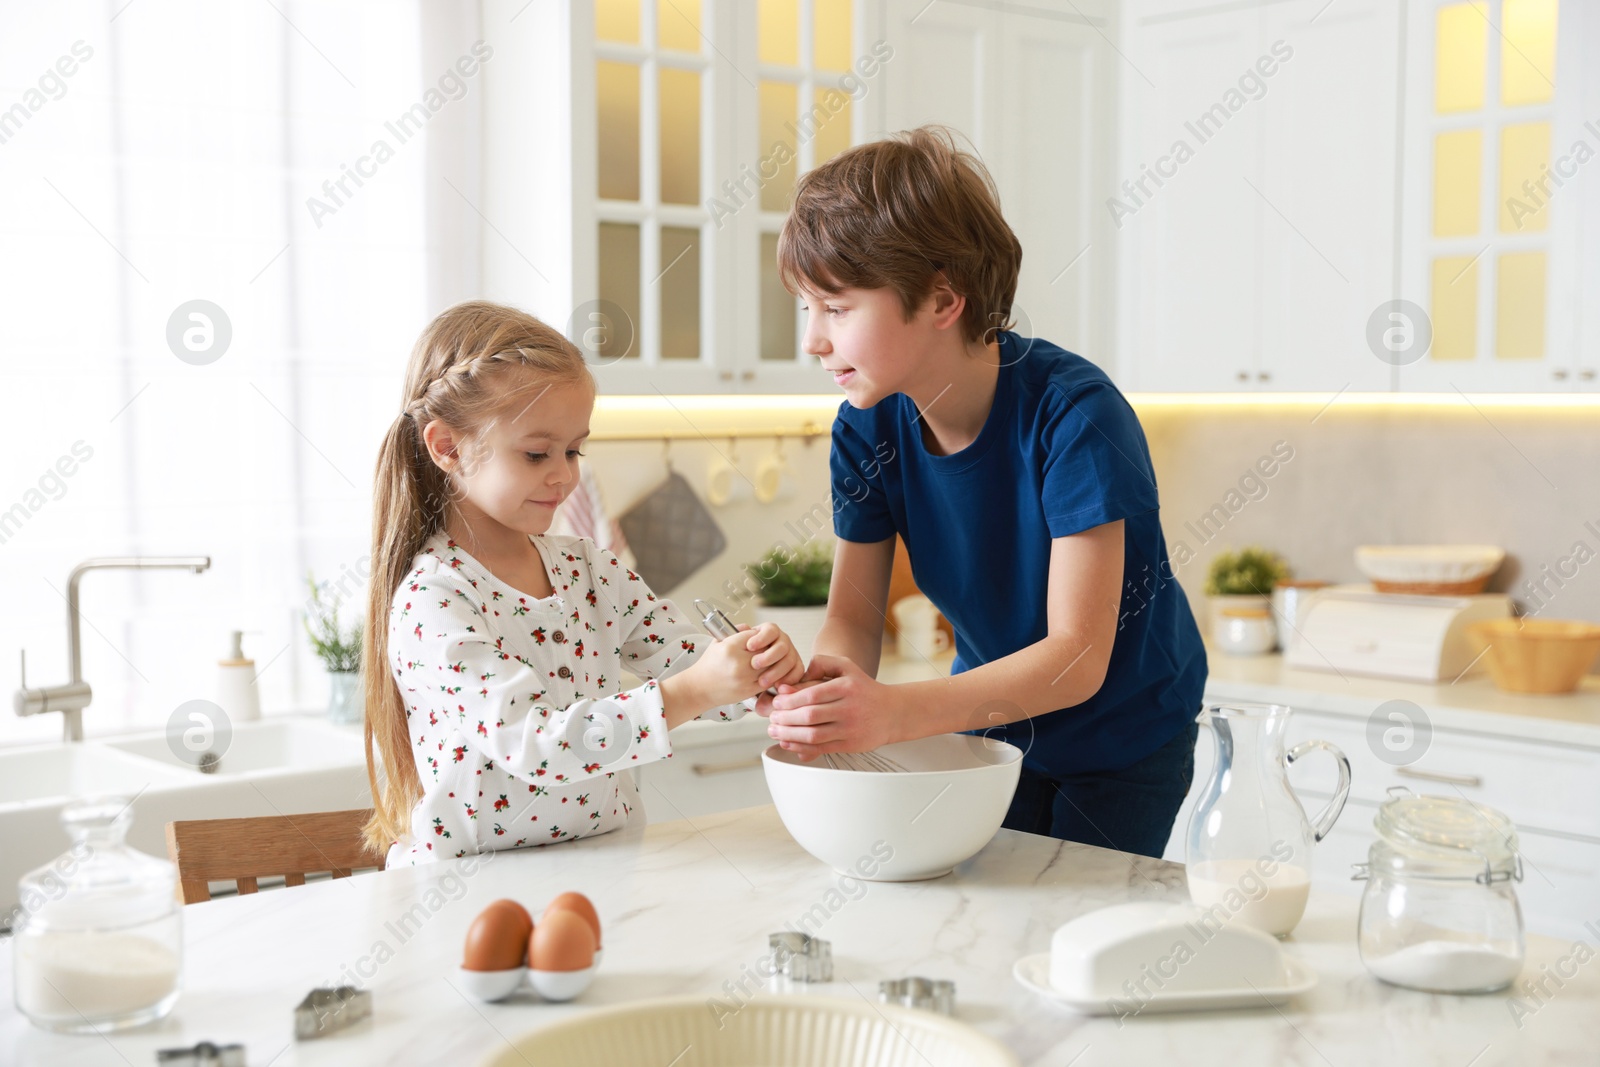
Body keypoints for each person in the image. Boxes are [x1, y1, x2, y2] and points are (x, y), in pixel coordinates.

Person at [761, 127, 1208, 859]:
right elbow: (853, 616)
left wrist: (895, 714)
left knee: (1074, 934)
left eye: (836, 309)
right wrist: (830, 688)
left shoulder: (1075, 415)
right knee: (992, 926)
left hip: (1126, 736)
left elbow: (1075, 657)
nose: (812, 339)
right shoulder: (865, 429)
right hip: (991, 725)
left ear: (941, 299)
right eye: (806, 307)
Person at [362, 300, 803, 864]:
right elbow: (535, 743)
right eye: (537, 453)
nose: (565, 474)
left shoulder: (588, 568)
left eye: (574, 450)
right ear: (447, 447)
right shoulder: (434, 600)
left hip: (606, 866)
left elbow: (684, 661)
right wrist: (697, 690)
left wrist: (750, 667)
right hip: (472, 890)